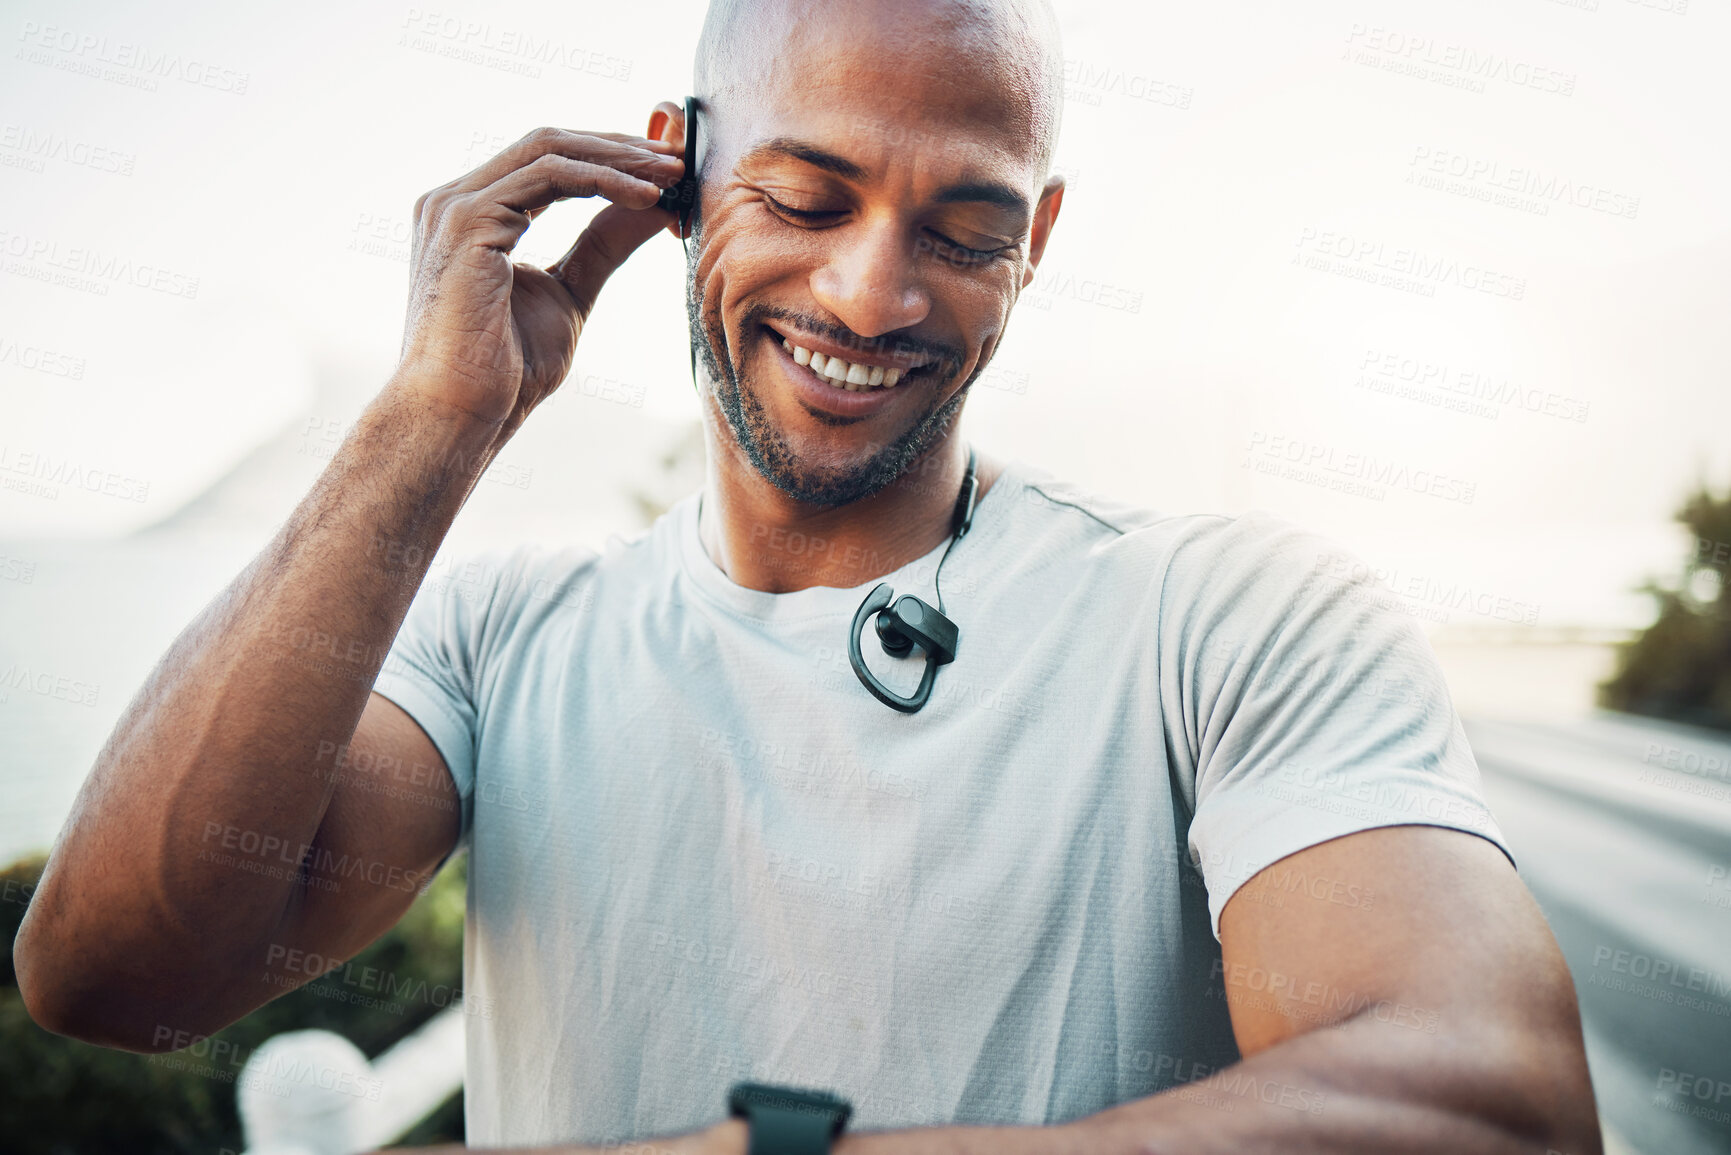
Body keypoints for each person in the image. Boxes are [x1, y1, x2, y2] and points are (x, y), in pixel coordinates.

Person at [16, 0, 1603, 1151]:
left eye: (965, 228)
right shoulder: (505, 637)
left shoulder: (1228, 615)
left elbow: (1496, 1107)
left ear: (1036, 241)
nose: (873, 291)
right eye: (806, 196)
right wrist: (429, 426)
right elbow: (115, 977)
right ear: (676, 174)